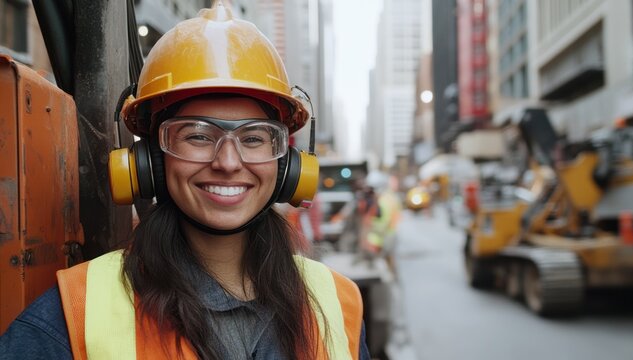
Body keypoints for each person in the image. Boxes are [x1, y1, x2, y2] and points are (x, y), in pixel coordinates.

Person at [0, 3, 369, 359]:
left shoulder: (339, 304)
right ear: (149, 162)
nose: (227, 162)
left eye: (254, 138)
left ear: (287, 164)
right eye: (197, 136)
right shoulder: (75, 315)